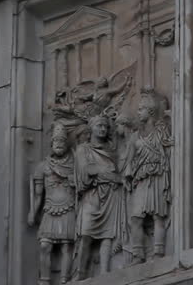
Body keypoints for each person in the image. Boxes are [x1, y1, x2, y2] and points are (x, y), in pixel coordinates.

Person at [124, 88, 172, 263]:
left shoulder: (161, 132)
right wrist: (128, 176)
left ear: (150, 111)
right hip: (141, 179)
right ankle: (138, 254)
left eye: (141, 109)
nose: (138, 112)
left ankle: (159, 252)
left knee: (158, 216)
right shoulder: (135, 136)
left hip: (158, 176)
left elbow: (169, 149)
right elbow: (129, 161)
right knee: (136, 218)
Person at [74, 115, 123, 279]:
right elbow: (87, 170)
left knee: (107, 234)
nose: (103, 129)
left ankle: (104, 273)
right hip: (92, 194)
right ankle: (80, 273)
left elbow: (117, 172)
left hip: (110, 194)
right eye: (99, 126)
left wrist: (107, 174)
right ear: (91, 128)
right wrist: (105, 173)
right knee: (86, 233)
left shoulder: (111, 151)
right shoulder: (83, 149)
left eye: (105, 127)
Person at [29, 125, 76, 285]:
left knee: (67, 246)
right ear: (51, 143)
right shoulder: (42, 167)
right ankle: (44, 279)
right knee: (44, 245)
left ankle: (65, 279)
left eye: (62, 141)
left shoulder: (74, 165)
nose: (59, 143)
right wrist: (32, 212)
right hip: (49, 209)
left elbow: (83, 186)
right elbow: (37, 194)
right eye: (56, 141)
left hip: (69, 207)